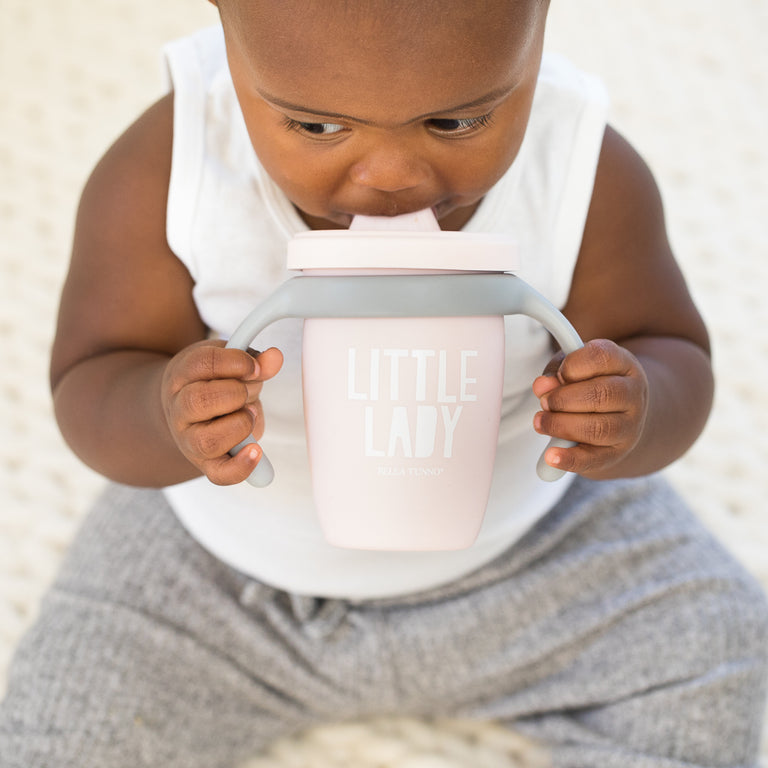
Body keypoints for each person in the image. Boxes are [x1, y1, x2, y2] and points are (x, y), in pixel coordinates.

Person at [2, 1, 767, 766]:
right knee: (60, 733)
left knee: (719, 647)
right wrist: (166, 416)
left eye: (458, 123)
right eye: (316, 127)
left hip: (533, 553)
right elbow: (91, 374)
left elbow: (668, 348)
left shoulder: (581, 167)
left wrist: (632, 406)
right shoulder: (173, 164)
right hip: (220, 573)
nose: (393, 178)